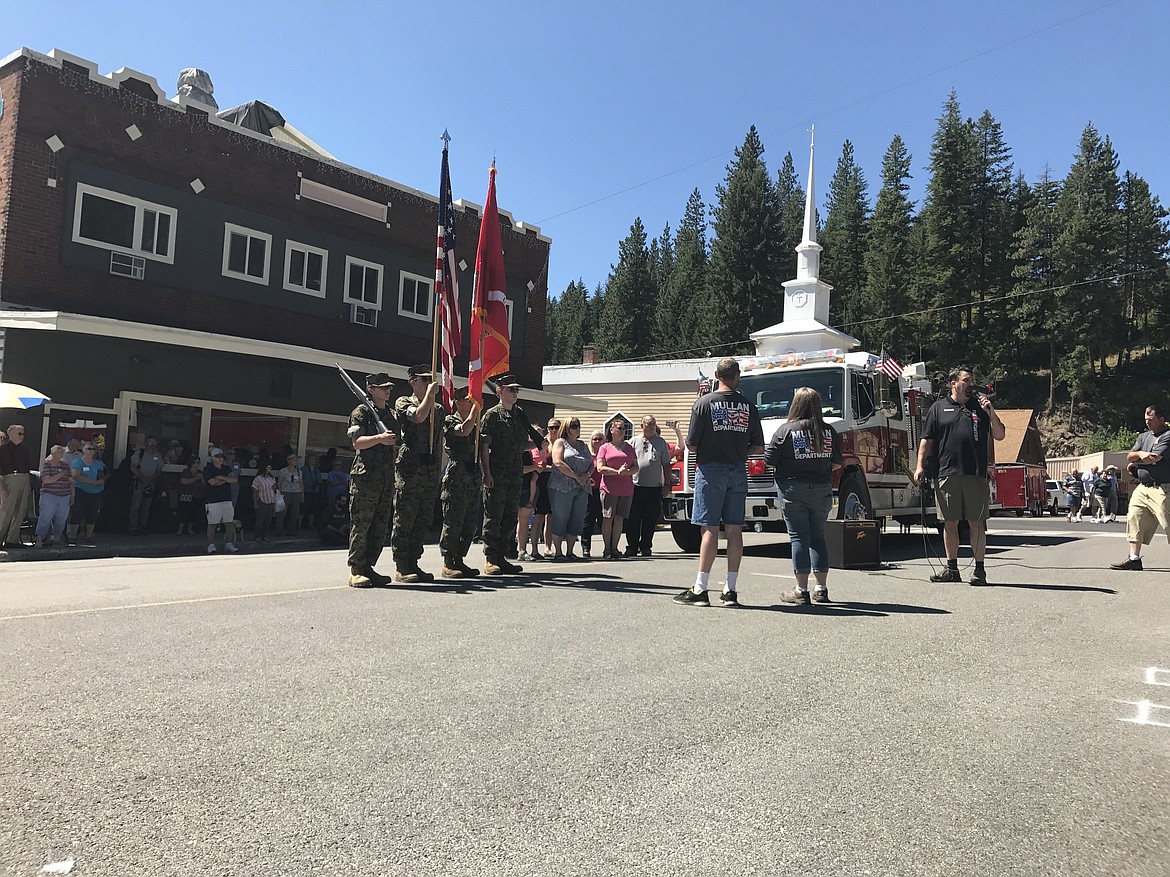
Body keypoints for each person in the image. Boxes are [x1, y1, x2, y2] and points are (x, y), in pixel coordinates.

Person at [675, 357, 764, 607]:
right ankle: (730, 589)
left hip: (710, 469)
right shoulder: (748, 406)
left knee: (709, 528)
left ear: (716, 375)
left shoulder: (703, 403)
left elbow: (691, 444)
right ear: (737, 377)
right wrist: (738, 452)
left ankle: (701, 588)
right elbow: (758, 445)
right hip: (737, 469)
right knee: (735, 529)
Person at [914, 367, 1006, 586]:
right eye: (966, 380)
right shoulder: (938, 408)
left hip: (975, 473)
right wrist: (919, 467)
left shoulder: (980, 408)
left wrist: (991, 411)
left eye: (971, 380)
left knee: (976, 522)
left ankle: (979, 571)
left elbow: (1000, 435)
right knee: (950, 522)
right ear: (953, 383)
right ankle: (952, 569)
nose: (970, 384)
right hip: (946, 473)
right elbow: (926, 441)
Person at [765, 387, 843, 604]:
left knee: (799, 537)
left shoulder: (786, 430)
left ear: (795, 405)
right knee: (818, 537)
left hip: (793, 490)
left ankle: (801, 590)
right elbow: (838, 462)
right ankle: (821, 588)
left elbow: (769, 460)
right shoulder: (828, 431)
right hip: (822, 489)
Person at [347, 372, 398, 588]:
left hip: (386, 479)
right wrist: (379, 438)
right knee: (362, 524)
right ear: (371, 389)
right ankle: (356, 570)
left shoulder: (392, 414)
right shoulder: (362, 412)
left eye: (389, 387)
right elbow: (357, 442)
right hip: (366, 477)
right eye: (382, 387)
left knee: (379, 526)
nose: (387, 390)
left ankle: (369, 566)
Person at [392, 366, 441, 582]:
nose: (429, 383)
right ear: (413, 381)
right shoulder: (404, 402)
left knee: (422, 519)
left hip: (429, 471)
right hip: (410, 470)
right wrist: (430, 394)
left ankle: (414, 561)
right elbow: (419, 417)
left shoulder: (438, 410)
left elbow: (439, 440)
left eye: (431, 379)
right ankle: (402, 565)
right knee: (405, 518)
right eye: (424, 379)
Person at [479, 372, 530, 575]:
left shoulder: (518, 416)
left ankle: (502, 556)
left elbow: (521, 445)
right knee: (494, 516)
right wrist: (486, 473)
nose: (515, 393)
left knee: (510, 517)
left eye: (517, 390)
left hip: (515, 473)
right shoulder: (492, 415)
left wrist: (538, 444)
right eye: (511, 390)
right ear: (500, 392)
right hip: (497, 473)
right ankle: (490, 559)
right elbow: (485, 446)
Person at [1111, 405, 1170, 571]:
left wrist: (1138, 459)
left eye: (1150, 420)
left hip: (1163, 488)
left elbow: (1154, 458)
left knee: (1168, 524)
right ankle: (1134, 558)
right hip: (1143, 487)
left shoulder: (1167, 436)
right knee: (1134, 518)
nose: (1147, 423)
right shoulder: (1143, 437)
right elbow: (1129, 456)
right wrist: (1140, 456)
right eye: (1145, 419)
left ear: (1161, 419)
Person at [437, 387, 482, 578]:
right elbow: (463, 431)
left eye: (472, 400)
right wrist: (476, 411)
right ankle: (448, 561)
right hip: (457, 476)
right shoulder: (450, 420)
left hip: (472, 476)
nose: (470, 403)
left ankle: (460, 558)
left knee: (469, 521)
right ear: (457, 402)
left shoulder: (476, 422)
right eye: (467, 400)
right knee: (454, 520)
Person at [623, 415, 672, 557]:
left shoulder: (660, 442)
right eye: (648, 424)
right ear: (642, 426)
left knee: (650, 519)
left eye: (653, 424)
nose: (651, 427)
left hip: (654, 487)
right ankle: (632, 547)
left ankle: (646, 547)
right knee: (633, 518)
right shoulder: (633, 441)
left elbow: (666, 464)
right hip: (635, 486)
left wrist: (667, 483)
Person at [548, 417, 593, 559]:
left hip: (582, 487)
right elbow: (558, 462)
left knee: (577, 518)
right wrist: (575, 476)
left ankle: (570, 551)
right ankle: (558, 551)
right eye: (573, 425)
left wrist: (585, 476)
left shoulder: (583, 445)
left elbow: (591, 463)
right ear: (567, 428)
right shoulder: (560, 443)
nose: (577, 428)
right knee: (561, 517)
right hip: (562, 486)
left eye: (578, 425)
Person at [595, 418, 637, 560]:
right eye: (619, 428)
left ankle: (615, 548)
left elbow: (636, 466)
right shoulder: (604, 447)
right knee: (608, 517)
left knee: (619, 519)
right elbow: (600, 467)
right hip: (609, 488)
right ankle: (606, 549)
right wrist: (617, 471)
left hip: (626, 488)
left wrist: (628, 472)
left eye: (623, 428)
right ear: (611, 430)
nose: (622, 430)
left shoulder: (630, 447)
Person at [0, 424, 33, 548]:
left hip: (24, 478)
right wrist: (1, 486)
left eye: (23, 434)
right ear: (11, 434)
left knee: (20, 511)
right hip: (10, 479)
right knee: (6, 511)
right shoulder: (3, 449)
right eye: (19, 434)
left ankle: (12, 540)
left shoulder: (24, 448)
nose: (22, 436)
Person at [69, 441, 107, 546]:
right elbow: (76, 476)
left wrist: (102, 480)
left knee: (92, 513)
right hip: (81, 490)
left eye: (93, 449)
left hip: (96, 492)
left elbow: (106, 473)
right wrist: (92, 481)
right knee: (77, 513)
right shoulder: (77, 462)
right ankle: (73, 536)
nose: (91, 451)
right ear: (83, 450)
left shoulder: (99, 463)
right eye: (88, 449)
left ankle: (89, 536)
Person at [36, 445, 73, 548]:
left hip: (65, 495)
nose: (60, 455)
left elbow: (71, 482)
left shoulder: (65, 466)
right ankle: (39, 539)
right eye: (58, 452)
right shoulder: (47, 465)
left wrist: (72, 495)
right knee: (45, 517)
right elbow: (46, 480)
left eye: (62, 453)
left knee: (62, 518)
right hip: (49, 495)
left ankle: (57, 538)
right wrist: (61, 475)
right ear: (52, 454)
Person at [202, 449, 238, 554]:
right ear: (213, 458)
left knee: (229, 523)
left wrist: (222, 477)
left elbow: (234, 479)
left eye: (222, 457)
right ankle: (211, 545)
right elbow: (212, 482)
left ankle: (228, 544)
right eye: (218, 457)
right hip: (212, 500)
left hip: (227, 499)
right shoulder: (208, 469)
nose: (220, 459)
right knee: (212, 523)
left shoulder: (226, 468)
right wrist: (227, 480)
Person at [128, 435, 164, 534]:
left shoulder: (158, 456)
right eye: (150, 442)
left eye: (154, 443)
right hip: (139, 482)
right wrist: (143, 478)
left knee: (146, 506)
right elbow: (133, 467)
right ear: (146, 444)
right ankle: (133, 527)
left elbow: (159, 470)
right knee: (135, 505)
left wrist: (150, 479)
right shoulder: (139, 453)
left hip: (151, 483)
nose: (153, 445)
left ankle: (142, 526)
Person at [516, 439, 545, 561]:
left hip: (528, 487)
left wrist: (537, 469)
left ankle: (521, 549)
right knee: (519, 521)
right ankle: (519, 549)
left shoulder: (529, 452)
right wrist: (535, 467)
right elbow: (519, 469)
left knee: (523, 521)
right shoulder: (517, 450)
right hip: (518, 488)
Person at [580, 429, 605, 557]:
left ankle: (608, 547)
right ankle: (585, 547)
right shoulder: (588, 455)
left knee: (603, 519)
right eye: (594, 439)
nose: (597, 441)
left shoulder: (606, 453)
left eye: (599, 439)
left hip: (604, 490)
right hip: (590, 490)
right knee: (588, 519)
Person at [176, 456, 204, 535]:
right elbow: (184, 481)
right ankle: (180, 528)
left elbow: (204, 484)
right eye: (197, 462)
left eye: (199, 462)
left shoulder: (200, 472)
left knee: (193, 512)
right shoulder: (186, 471)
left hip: (197, 495)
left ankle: (190, 528)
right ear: (192, 463)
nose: (198, 464)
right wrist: (196, 478)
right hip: (186, 495)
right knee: (184, 511)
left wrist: (202, 479)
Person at [277, 454, 304, 534]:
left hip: (297, 493)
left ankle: (292, 529)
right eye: (294, 460)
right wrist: (279, 494)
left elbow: (301, 484)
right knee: (282, 512)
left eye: (296, 460)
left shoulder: (299, 471)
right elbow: (279, 483)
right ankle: (279, 530)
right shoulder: (283, 471)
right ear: (289, 461)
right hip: (285, 492)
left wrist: (302, 495)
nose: (296, 461)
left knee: (295, 512)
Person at [252, 462, 278, 542]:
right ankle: (257, 536)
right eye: (268, 467)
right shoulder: (258, 478)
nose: (270, 468)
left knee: (268, 520)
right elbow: (255, 491)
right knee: (260, 519)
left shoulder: (271, 478)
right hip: (262, 501)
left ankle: (265, 535)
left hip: (271, 501)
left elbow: (274, 488)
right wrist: (255, 502)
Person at [301, 453, 324, 529]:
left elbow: (320, 479)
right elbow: (300, 479)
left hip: (315, 491)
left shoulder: (317, 470)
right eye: (311, 459)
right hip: (306, 491)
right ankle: (299, 525)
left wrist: (318, 481)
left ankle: (310, 525)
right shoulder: (303, 469)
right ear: (308, 460)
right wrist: (308, 482)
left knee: (312, 508)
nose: (313, 461)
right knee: (303, 508)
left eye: (314, 460)